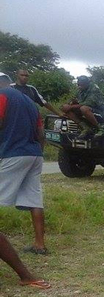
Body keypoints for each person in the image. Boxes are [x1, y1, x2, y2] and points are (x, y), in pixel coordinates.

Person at [0, 72, 52, 284]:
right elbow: (41, 133)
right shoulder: (30, 103)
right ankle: (39, 244)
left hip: (12, 153)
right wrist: (37, 153)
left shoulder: (3, 96)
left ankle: (24, 274)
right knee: (33, 199)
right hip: (34, 154)